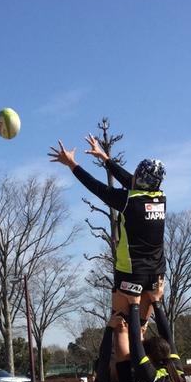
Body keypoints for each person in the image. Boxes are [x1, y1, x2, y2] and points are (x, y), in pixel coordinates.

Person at [49, 136, 166, 323]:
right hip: (156, 272)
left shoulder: (128, 201)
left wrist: (72, 164)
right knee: (143, 324)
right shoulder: (160, 198)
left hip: (132, 271)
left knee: (121, 324)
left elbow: (97, 187)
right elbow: (129, 180)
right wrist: (104, 158)